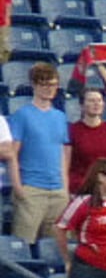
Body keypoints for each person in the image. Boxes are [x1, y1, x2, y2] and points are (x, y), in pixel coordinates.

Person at [9, 61, 71, 244]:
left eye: (53, 84)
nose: (49, 89)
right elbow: (12, 153)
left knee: (54, 247)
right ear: (35, 85)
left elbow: (62, 153)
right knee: (23, 243)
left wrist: (65, 187)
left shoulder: (60, 117)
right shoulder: (22, 115)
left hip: (57, 191)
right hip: (32, 189)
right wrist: (18, 188)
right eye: (44, 84)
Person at [66, 88, 106, 196]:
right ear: (82, 105)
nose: (96, 104)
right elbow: (65, 164)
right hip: (79, 190)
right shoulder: (72, 130)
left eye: (99, 100)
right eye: (91, 101)